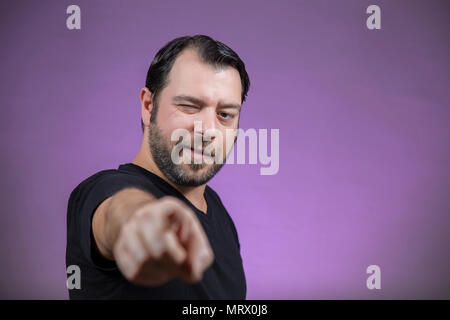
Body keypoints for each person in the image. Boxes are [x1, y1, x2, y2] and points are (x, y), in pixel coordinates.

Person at [65, 35, 250, 299]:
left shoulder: (217, 209)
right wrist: (142, 223)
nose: (208, 130)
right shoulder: (102, 190)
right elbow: (120, 213)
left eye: (225, 115)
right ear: (148, 106)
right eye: (189, 106)